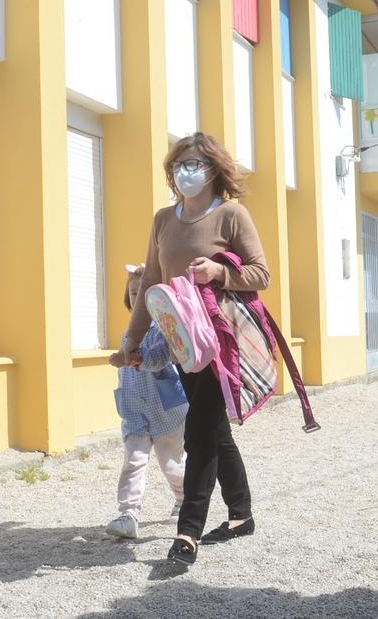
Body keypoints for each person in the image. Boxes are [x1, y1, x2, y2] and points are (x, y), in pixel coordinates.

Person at [110, 132, 270, 566]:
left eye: (196, 162)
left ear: (214, 169)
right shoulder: (164, 219)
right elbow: (148, 286)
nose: (187, 170)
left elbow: (260, 274)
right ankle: (241, 514)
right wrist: (132, 341)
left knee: (199, 432)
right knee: (216, 431)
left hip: (224, 342)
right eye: (181, 162)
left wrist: (219, 271)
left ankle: (188, 533)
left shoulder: (232, 215)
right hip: (182, 343)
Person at [103, 265, 188, 539]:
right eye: (133, 294)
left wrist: (134, 359)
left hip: (165, 410)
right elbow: (124, 372)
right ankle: (129, 513)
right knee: (134, 461)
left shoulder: (165, 328)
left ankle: (185, 497)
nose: (137, 299)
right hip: (135, 412)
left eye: (143, 295)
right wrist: (122, 361)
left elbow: (161, 357)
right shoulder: (127, 334)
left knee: (172, 464)